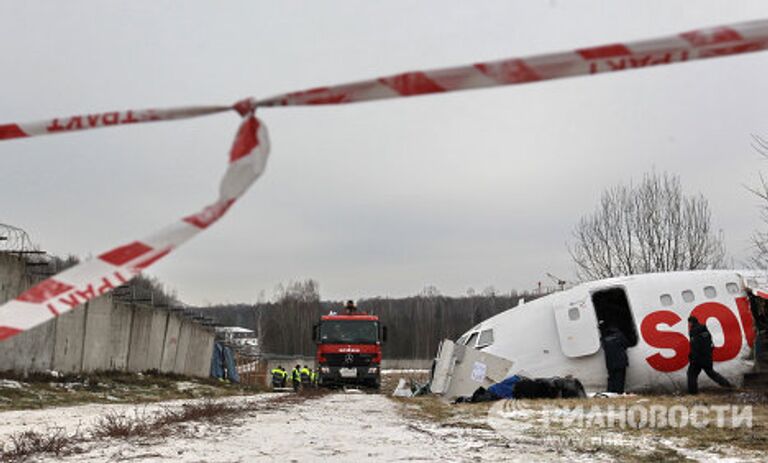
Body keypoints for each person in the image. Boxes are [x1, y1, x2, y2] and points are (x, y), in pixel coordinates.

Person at [687, 316, 733, 394]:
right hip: (707, 357)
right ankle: (727, 385)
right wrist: (708, 354)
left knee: (691, 374)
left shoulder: (693, 331)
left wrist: (692, 357)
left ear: (691, 323)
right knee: (711, 373)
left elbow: (695, 346)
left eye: (689, 323)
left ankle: (693, 393)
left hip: (698, 358)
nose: (689, 325)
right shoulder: (705, 330)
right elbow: (711, 344)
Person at [600, 323, 629, 393]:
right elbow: (626, 344)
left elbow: (604, 348)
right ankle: (619, 392)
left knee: (611, 378)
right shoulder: (620, 336)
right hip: (621, 361)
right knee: (620, 378)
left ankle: (610, 392)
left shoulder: (604, 339)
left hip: (610, 362)